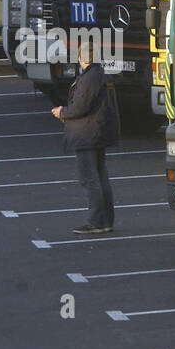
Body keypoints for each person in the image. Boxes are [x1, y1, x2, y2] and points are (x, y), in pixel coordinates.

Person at [52, 35, 120, 234]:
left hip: (86, 134)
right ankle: (106, 220)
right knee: (99, 176)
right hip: (96, 132)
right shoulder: (100, 74)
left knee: (89, 179)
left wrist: (62, 112)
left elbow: (79, 107)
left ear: (82, 58)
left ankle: (97, 221)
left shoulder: (89, 77)